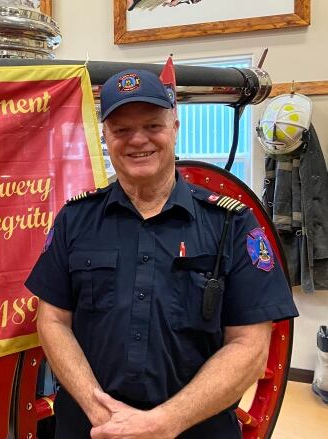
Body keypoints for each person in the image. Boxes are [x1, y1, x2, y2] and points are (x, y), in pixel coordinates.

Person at [25, 69, 298, 438]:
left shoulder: (231, 225)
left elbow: (250, 348)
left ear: (175, 126)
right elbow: (53, 321)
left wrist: (163, 423)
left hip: (195, 429)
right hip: (93, 428)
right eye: (121, 130)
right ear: (105, 135)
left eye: (153, 125)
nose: (138, 140)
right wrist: (101, 412)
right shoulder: (75, 220)